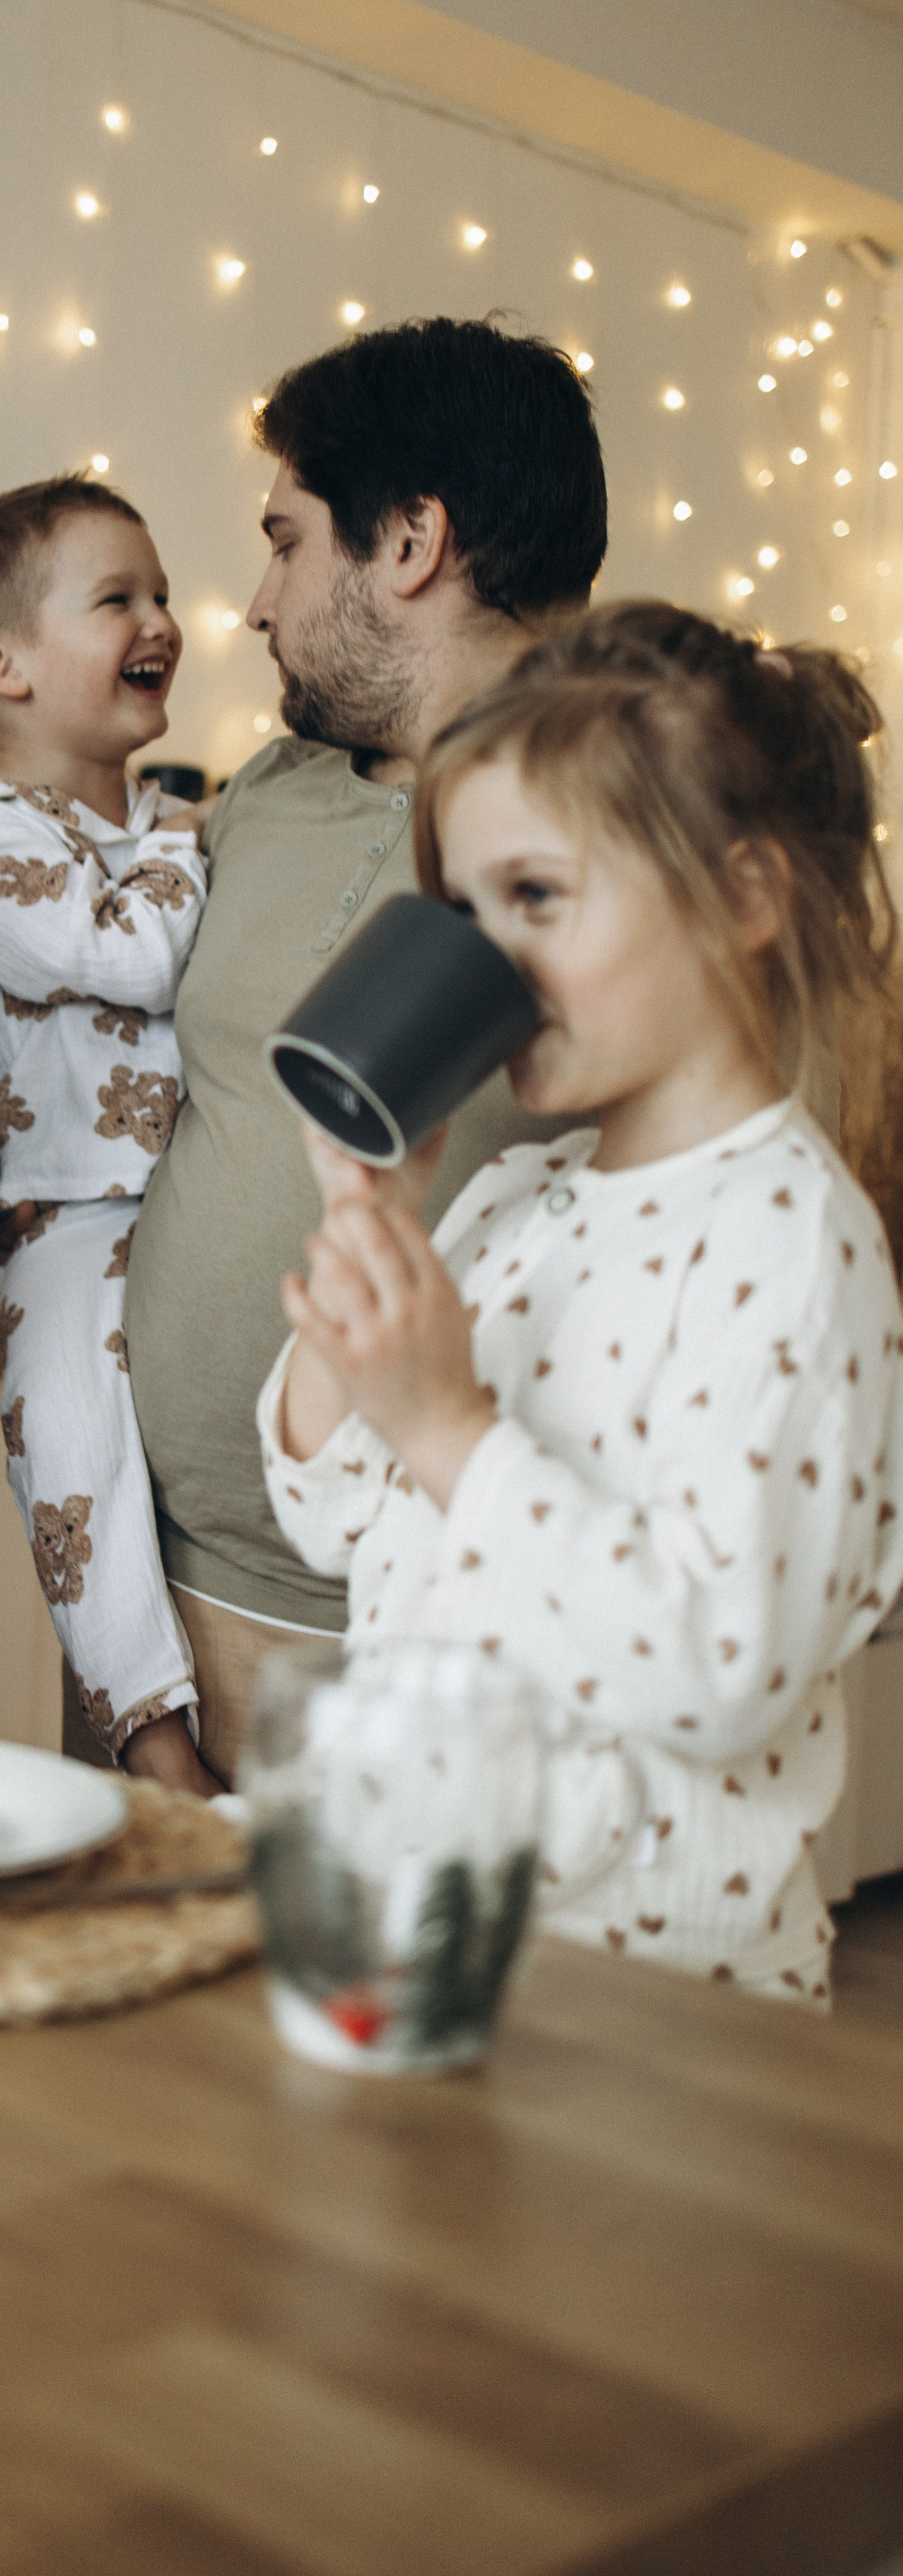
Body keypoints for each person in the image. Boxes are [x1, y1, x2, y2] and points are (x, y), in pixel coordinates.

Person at [260, 604, 903, 2001]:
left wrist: (450, 1431)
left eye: (535, 900)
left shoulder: (790, 1244)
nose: (486, 962)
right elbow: (328, 1517)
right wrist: (366, 1225)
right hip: (430, 1924)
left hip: (645, 1997)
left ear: (739, 900)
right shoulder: (512, 1202)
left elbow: (718, 1664)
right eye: (463, 911)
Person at [121, 317, 608, 1785]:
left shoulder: (624, 838)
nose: (258, 604)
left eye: (285, 542)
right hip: (163, 1600)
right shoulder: (263, 788)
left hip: (454, 1626)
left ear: (408, 541)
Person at [0, 476, 215, 1792]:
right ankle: (151, 1739)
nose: (161, 618)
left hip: (194, 1199)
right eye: (117, 599)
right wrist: (196, 844)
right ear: (3, 666)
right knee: (71, 1436)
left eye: (159, 593)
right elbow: (126, 953)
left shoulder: (164, 829)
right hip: (60, 1212)